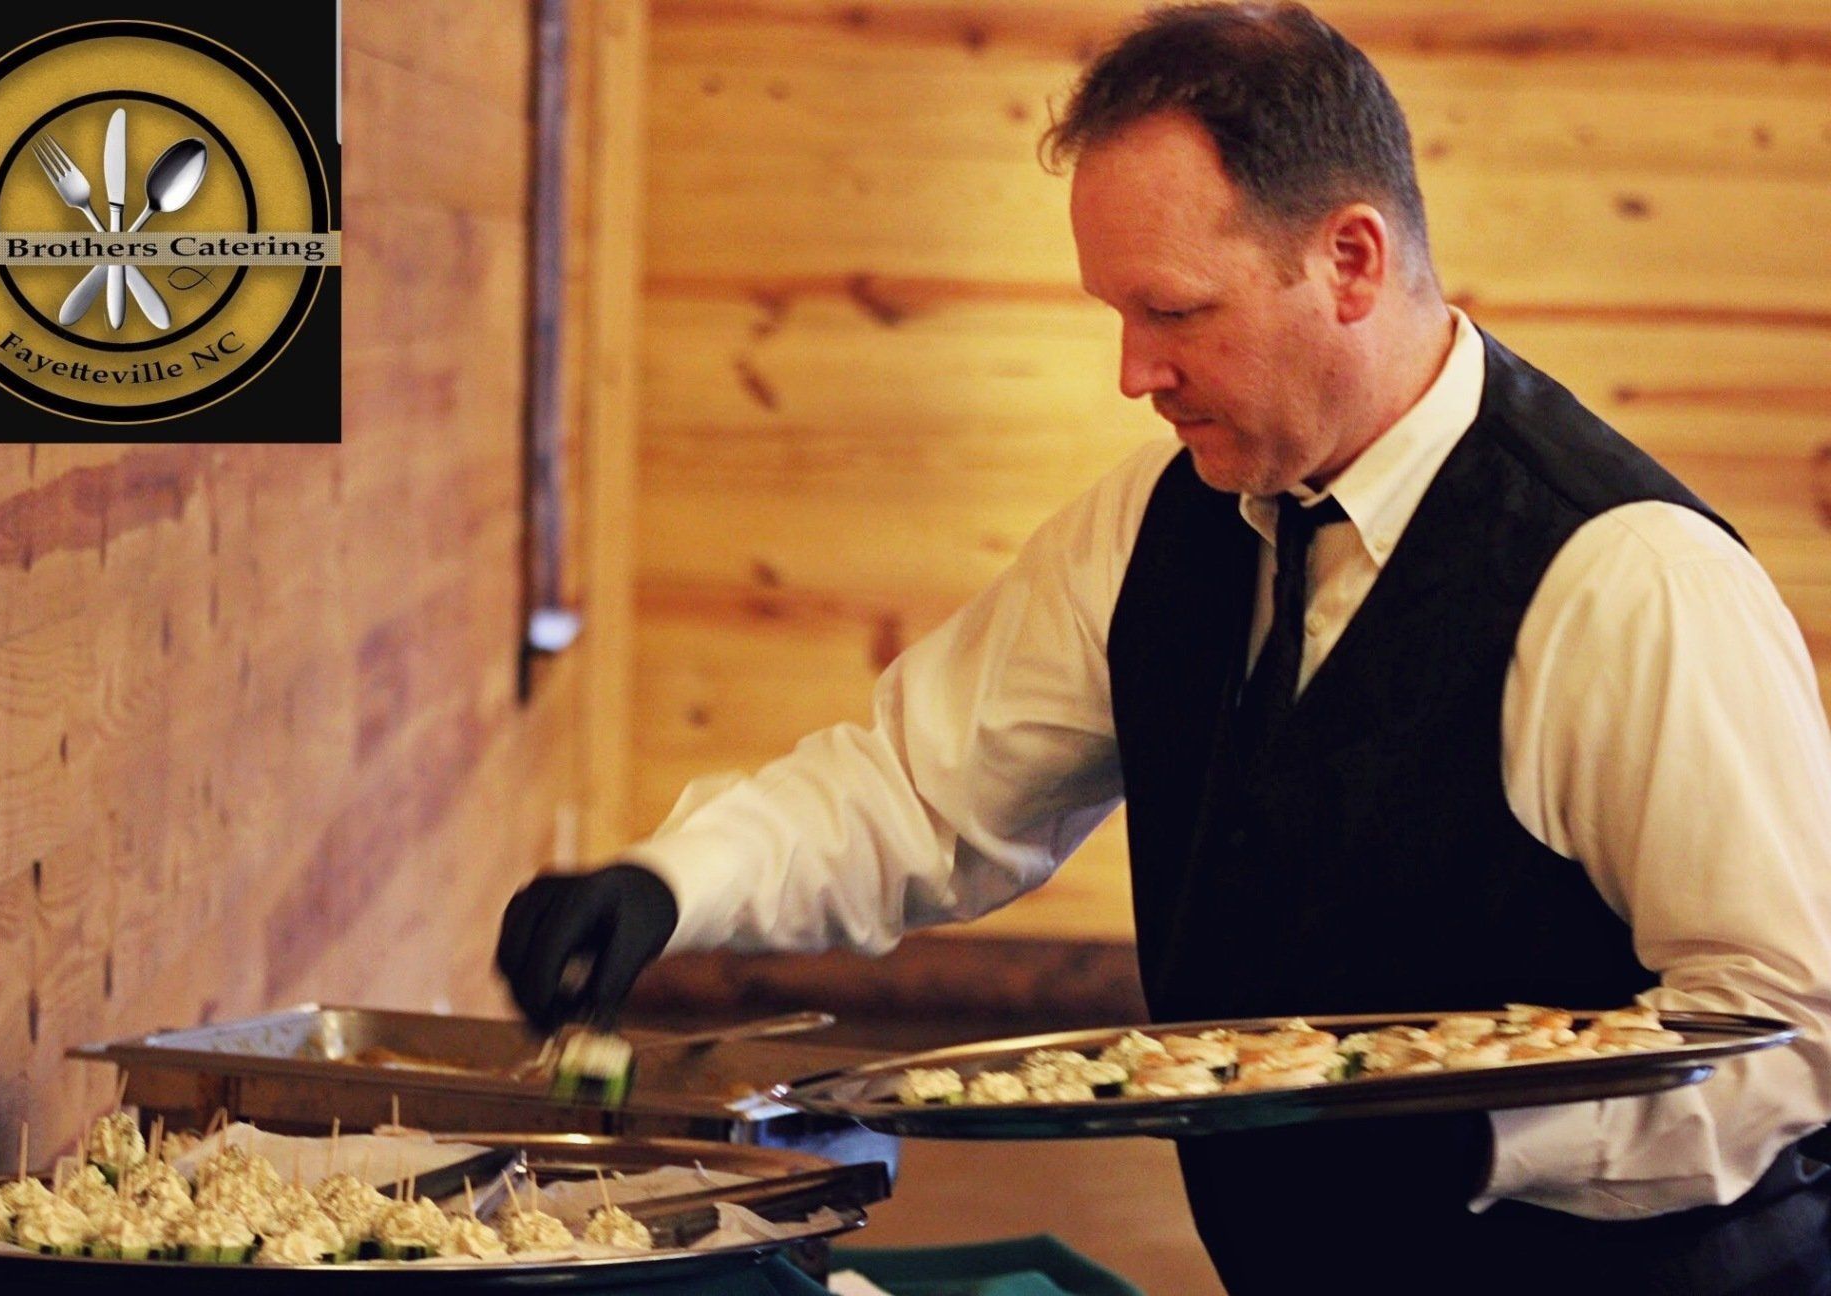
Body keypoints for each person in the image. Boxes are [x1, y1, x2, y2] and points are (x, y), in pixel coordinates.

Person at [497, 3, 1831, 1290]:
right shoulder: (1155, 526)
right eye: (1115, 316)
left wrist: (1491, 1142)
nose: (1133, 371)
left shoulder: (1629, 579)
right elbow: (917, 789)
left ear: (1352, 262)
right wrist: (673, 883)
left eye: (1176, 313)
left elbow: (1798, 1025)